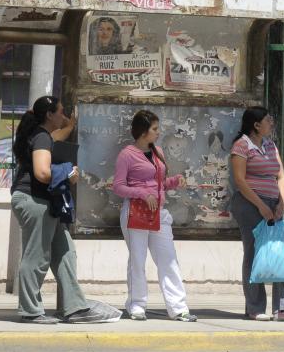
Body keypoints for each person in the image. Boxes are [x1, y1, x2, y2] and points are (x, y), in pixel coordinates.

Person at [10, 95, 119, 324]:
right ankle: (30, 311)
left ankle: (75, 308)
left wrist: (69, 126)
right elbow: (42, 172)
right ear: (49, 115)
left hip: (45, 202)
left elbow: (55, 138)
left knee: (66, 252)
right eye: (60, 111)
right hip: (35, 201)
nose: (64, 115)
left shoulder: (43, 136)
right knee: (37, 256)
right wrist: (67, 172)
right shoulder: (40, 137)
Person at [112, 110, 197, 322]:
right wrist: (142, 193)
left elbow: (160, 183)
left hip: (158, 212)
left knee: (168, 259)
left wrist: (175, 181)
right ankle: (137, 305)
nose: (158, 133)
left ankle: (178, 308)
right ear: (143, 132)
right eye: (155, 129)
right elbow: (118, 187)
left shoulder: (158, 151)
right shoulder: (127, 155)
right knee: (138, 260)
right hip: (135, 213)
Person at [229, 106, 284, 322]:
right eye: (267, 120)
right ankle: (255, 307)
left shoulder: (270, 145)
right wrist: (260, 206)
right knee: (255, 252)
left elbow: (281, 176)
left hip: (274, 205)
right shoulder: (242, 146)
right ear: (256, 125)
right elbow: (240, 180)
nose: (271, 123)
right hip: (250, 205)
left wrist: (281, 203)